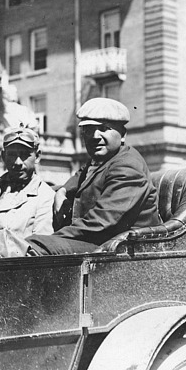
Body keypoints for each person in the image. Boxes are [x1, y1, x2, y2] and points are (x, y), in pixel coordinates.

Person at [25, 97, 161, 255]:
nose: (95, 136)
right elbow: (80, 175)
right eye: (88, 129)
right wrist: (62, 191)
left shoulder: (127, 166)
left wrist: (52, 238)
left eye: (104, 128)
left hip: (125, 251)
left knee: (32, 245)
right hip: (103, 245)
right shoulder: (103, 160)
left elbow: (100, 222)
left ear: (122, 134)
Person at [0, 126, 54, 258]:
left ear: (37, 156)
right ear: (3, 156)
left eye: (25, 155)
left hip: (16, 271)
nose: (18, 162)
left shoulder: (45, 196)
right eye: (12, 155)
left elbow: (39, 249)